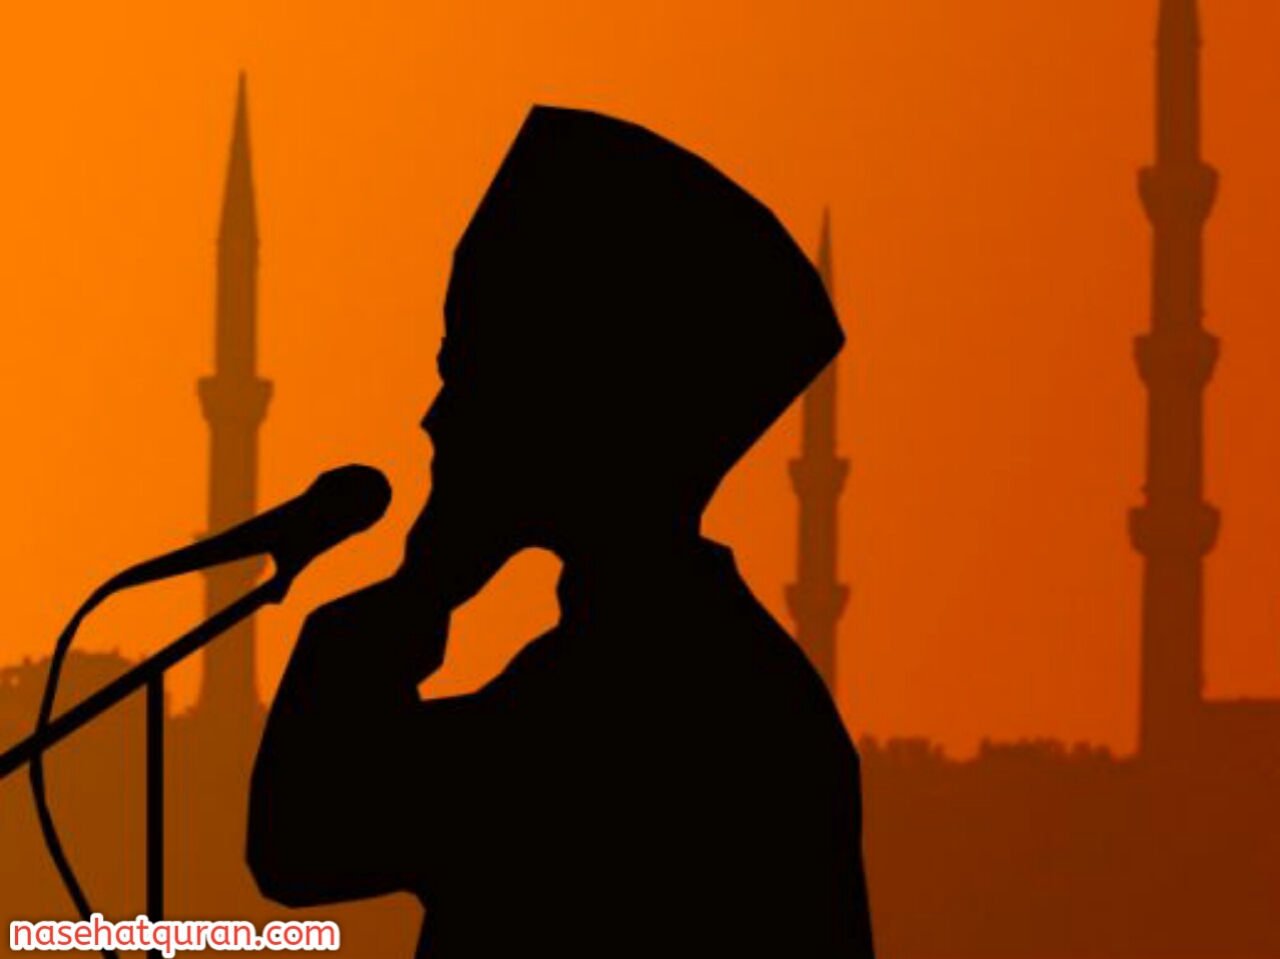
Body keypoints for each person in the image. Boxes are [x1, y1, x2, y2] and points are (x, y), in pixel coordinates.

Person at [247, 105, 875, 957]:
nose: (434, 418)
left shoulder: (635, 707)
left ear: (571, 411)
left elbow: (309, 831)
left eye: (464, 377)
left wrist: (416, 592)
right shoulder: (687, 673)